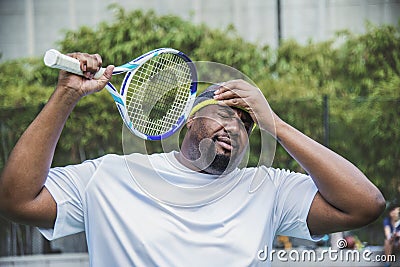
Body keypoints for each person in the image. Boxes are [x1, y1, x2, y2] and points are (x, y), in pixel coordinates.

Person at [0, 52, 385, 266]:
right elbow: (16, 200)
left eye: (247, 123)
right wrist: (66, 95)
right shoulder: (110, 176)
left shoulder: (269, 188)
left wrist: (277, 125)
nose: (235, 127)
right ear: (187, 120)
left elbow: (366, 205)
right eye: (223, 113)